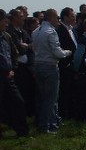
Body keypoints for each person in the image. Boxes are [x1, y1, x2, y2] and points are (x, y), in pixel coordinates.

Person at [32, 9, 72, 134]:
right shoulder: (51, 32)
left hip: (37, 65)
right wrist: (68, 52)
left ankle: (51, 122)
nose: (58, 21)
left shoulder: (35, 32)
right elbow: (57, 52)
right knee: (51, 98)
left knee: (43, 97)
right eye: (56, 18)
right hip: (49, 66)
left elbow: (34, 48)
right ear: (51, 18)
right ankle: (45, 126)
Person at [0, 9, 29, 137]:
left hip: (8, 75)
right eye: (4, 21)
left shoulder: (7, 36)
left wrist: (12, 69)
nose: (7, 24)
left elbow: (14, 53)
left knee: (18, 102)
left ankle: (22, 131)